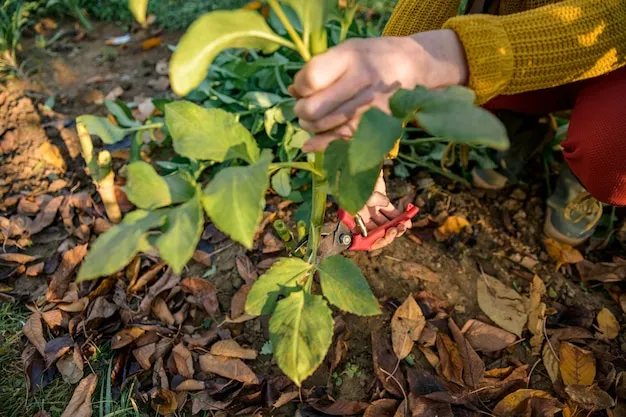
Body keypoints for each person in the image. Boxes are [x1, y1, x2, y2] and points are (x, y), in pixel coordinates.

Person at [288, 0, 626, 249]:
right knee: (434, 98)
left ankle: (584, 171)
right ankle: (521, 128)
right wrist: (370, 150)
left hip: (610, 62)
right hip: (513, 33)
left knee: (613, 151)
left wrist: (448, 55)